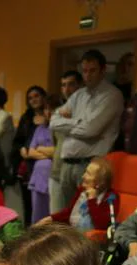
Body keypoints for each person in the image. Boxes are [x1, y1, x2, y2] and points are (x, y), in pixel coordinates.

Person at [51, 49, 125, 205]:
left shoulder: (112, 95)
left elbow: (90, 130)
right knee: (65, 217)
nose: (87, 75)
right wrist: (79, 121)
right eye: (84, 71)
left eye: (92, 71)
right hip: (67, 164)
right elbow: (53, 122)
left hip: (90, 166)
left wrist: (69, 123)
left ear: (103, 70)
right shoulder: (79, 95)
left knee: (84, 216)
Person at [39, 157, 118, 235]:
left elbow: (101, 225)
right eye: (85, 172)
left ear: (100, 182)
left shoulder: (111, 197)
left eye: (88, 174)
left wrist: (92, 199)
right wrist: (51, 218)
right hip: (74, 234)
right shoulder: (82, 190)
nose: (83, 176)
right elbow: (69, 212)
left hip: (92, 240)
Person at [11, 85, 47, 225]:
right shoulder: (26, 117)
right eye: (30, 98)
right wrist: (21, 150)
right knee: (29, 205)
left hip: (45, 165)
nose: (33, 100)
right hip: (27, 167)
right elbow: (18, 141)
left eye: (36, 96)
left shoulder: (51, 116)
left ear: (44, 97)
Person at [50, 71, 84, 213]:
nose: (67, 89)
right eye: (63, 85)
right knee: (57, 220)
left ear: (80, 86)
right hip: (57, 172)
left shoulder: (88, 112)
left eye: (71, 84)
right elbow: (55, 143)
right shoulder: (58, 112)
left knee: (78, 220)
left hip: (80, 171)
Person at [24, 94, 61, 224]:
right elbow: (31, 152)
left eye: (53, 109)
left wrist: (42, 149)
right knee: (37, 218)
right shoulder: (40, 128)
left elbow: (59, 152)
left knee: (53, 216)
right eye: (46, 108)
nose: (49, 112)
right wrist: (50, 152)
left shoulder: (62, 129)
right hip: (38, 177)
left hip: (55, 176)